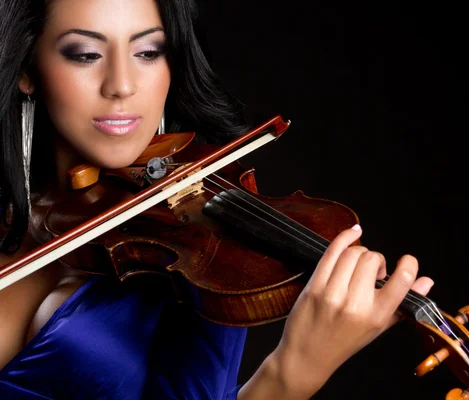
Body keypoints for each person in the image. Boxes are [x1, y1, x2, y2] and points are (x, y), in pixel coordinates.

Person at [0, 0, 434, 398]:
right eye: (85, 54)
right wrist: (290, 374)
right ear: (27, 69)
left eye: (148, 52)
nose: (122, 85)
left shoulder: (205, 248)